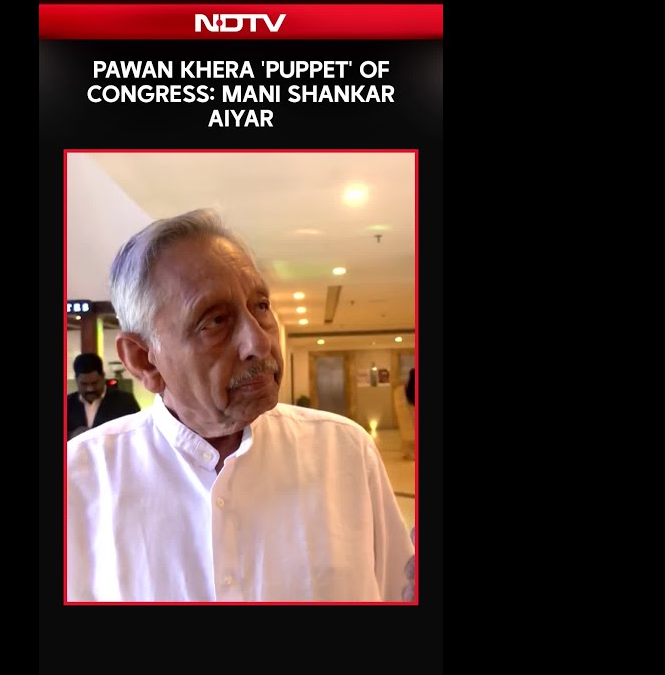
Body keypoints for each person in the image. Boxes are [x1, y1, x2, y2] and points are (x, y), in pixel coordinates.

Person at [67, 209, 414, 602]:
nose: (260, 343)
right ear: (143, 360)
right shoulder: (81, 480)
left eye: (261, 306)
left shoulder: (344, 451)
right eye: (215, 321)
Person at [66, 353, 141, 440]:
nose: (90, 389)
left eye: (94, 383)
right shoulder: (67, 403)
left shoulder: (125, 402)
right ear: (76, 380)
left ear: (103, 377)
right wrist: (71, 435)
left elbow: (138, 434)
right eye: (84, 384)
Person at [393, 368, 416, 460]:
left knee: (408, 434)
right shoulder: (410, 388)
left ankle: (408, 452)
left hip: (406, 416)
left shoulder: (402, 389)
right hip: (412, 414)